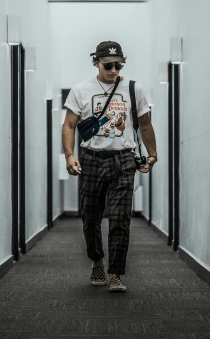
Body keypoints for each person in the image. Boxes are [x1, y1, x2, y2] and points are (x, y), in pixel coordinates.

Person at [62, 41, 158, 293]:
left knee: (120, 219)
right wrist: (70, 155)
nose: (114, 70)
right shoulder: (81, 90)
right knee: (90, 217)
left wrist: (152, 154)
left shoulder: (134, 89)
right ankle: (97, 261)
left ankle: (115, 273)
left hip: (124, 159)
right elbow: (69, 125)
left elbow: (145, 125)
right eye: (108, 65)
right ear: (96, 62)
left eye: (119, 65)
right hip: (91, 159)